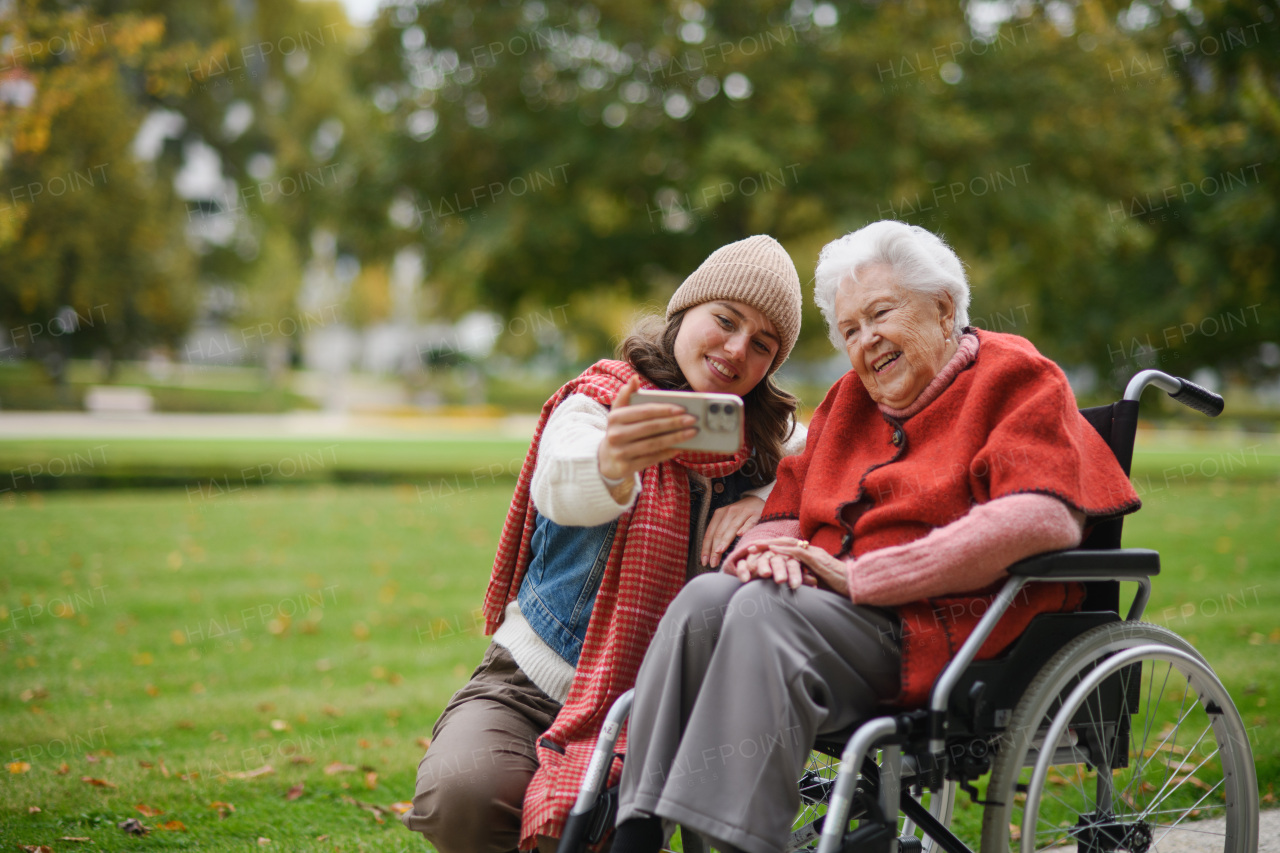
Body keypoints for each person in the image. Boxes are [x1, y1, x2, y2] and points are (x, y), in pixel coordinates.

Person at [610, 220, 1143, 853]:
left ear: (943, 309)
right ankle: (637, 830)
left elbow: (1041, 516)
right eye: (850, 330)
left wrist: (866, 575)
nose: (866, 342)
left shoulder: (1017, 379)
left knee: (758, 615)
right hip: (839, 621)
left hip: (955, 633)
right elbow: (786, 508)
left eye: (880, 314)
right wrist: (766, 552)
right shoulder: (847, 403)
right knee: (706, 601)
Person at [401, 235, 808, 853]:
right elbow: (561, 483)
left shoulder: (759, 446)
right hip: (532, 680)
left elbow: (833, 457)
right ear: (683, 313)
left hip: (663, 710)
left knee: (606, 823)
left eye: (762, 344)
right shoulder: (597, 403)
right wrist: (614, 461)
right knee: (460, 797)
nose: (735, 350)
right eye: (724, 321)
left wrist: (769, 497)